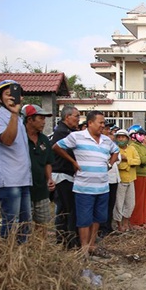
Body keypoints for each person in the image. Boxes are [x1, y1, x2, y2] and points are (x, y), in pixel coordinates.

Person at [53, 110, 119, 257]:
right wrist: (73, 162)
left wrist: (110, 164)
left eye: (104, 122)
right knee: (84, 219)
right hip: (84, 187)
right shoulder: (77, 137)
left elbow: (116, 151)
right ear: (90, 123)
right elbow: (56, 147)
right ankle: (83, 247)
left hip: (102, 187)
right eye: (100, 122)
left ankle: (92, 245)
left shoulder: (107, 140)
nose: (103, 125)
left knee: (98, 218)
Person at [0, 79, 32, 242]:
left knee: (25, 223)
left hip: (23, 178)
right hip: (8, 180)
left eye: (15, 93)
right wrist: (13, 113)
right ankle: (6, 255)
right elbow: (7, 140)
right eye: (7, 94)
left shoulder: (18, 119)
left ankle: (20, 258)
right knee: (12, 222)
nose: (12, 97)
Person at [49, 105, 81, 249]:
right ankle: (65, 240)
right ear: (67, 117)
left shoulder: (70, 131)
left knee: (67, 208)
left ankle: (68, 238)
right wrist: (73, 161)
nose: (78, 120)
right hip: (62, 174)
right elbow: (56, 147)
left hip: (68, 174)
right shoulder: (62, 132)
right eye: (77, 116)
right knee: (65, 209)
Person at [23, 104, 55, 234]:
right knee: (25, 223)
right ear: (30, 119)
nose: (44, 122)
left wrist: (49, 179)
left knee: (43, 223)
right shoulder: (20, 138)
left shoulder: (44, 140)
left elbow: (48, 162)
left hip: (41, 189)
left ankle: (40, 250)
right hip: (25, 188)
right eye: (40, 118)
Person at [113, 129, 140, 232]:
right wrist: (128, 164)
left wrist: (126, 159)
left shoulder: (132, 149)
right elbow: (117, 164)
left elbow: (137, 161)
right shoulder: (115, 149)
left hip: (131, 179)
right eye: (119, 137)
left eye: (123, 137)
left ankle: (126, 222)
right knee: (119, 203)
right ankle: (119, 225)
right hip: (120, 180)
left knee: (130, 203)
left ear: (127, 139)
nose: (121, 139)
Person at [129, 128, 146, 228]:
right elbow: (141, 160)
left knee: (145, 199)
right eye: (141, 135)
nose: (144, 137)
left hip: (145, 174)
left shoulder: (143, 146)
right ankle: (135, 221)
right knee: (138, 199)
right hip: (138, 175)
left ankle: (143, 220)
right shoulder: (133, 146)